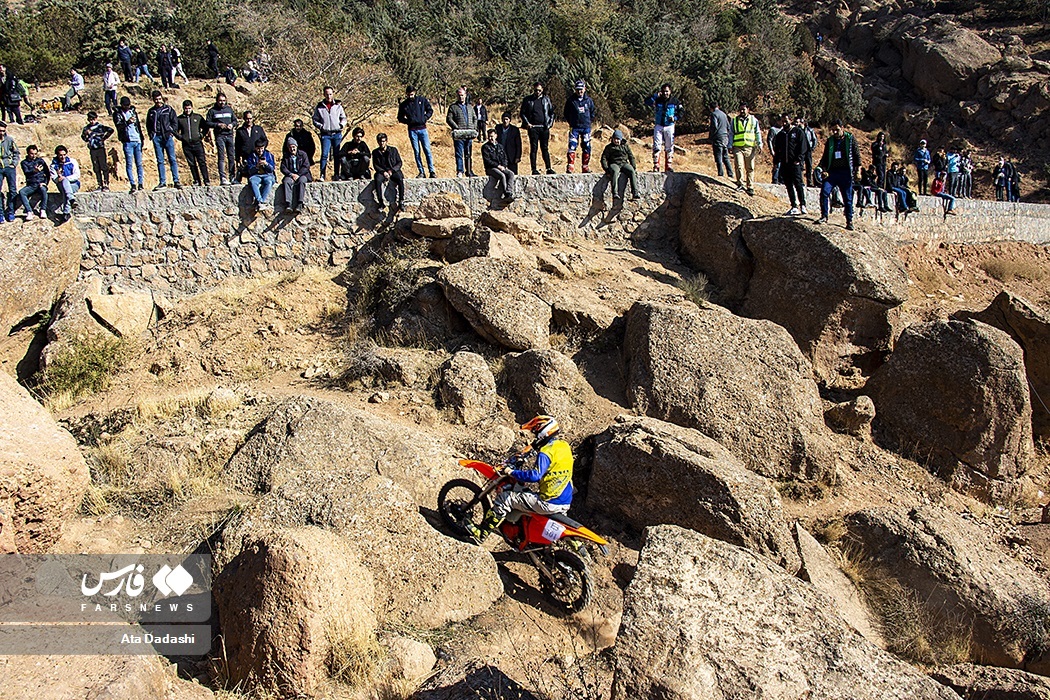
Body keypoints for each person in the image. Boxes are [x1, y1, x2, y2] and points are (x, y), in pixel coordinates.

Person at [465, 416, 574, 546]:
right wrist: (524, 453)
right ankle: (573, 543)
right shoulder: (563, 446)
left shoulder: (545, 453)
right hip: (565, 499)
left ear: (543, 431)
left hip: (548, 502)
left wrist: (512, 472)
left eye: (535, 431)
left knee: (505, 498)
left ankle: (481, 534)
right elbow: (534, 446)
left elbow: (535, 476)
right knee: (525, 496)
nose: (535, 435)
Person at [816, 119, 861, 230]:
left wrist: (858, 170)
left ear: (842, 128)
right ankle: (824, 216)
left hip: (846, 172)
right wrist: (822, 169)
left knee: (847, 197)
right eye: (833, 130)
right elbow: (825, 157)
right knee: (824, 192)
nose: (835, 132)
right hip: (832, 172)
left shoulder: (850, 139)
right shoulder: (830, 141)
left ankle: (849, 221)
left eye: (837, 130)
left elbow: (857, 156)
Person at [396, 85, 436, 178]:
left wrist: (425, 118)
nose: (411, 94)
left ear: (415, 92)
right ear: (406, 94)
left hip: (423, 129)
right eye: (409, 92)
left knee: (427, 150)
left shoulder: (422, 100)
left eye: (412, 92)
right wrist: (408, 121)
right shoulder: (404, 104)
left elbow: (430, 110)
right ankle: (421, 171)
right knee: (417, 151)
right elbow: (400, 117)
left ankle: (432, 171)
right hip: (412, 130)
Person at [775, 114, 810, 216]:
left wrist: (799, 159)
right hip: (785, 164)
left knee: (798, 184)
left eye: (786, 121)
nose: (784, 123)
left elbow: (803, 147)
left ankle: (803, 205)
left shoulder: (798, 132)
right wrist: (776, 162)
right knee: (789, 185)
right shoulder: (780, 134)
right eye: (782, 121)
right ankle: (794, 205)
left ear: (790, 120)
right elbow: (778, 150)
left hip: (795, 163)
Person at [146, 91, 181, 190]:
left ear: (162, 98)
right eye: (156, 99)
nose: (158, 101)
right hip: (157, 137)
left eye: (159, 99)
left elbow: (175, 122)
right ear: (153, 100)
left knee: (172, 159)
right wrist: (151, 134)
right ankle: (162, 182)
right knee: (160, 160)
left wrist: (171, 132)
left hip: (167, 137)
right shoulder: (151, 111)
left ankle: (176, 180)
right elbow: (148, 124)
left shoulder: (168, 109)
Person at [312, 86, 347, 181]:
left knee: (337, 155)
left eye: (330, 94)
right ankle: (322, 175)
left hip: (336, 133)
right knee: (324, 155)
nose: (329, 96)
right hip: (325, 134)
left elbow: (343, 117)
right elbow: (315, 119)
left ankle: (336, 174)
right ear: (324, 94)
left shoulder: (338, 105)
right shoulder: (319, 106)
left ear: (333, 94)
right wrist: (321, 126)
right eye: (327, 94)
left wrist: (341, 125)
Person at [519, 81, 555, 175]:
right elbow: (522, 113)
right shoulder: (528, 100)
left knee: (545, 148)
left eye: (539, 90)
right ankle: (534, 169)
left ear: (542, 90)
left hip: (544, 127)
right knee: (533, 149)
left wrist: (549, 124)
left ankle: (548, 168)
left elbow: (551, 113)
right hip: (533, 128)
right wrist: (527, 124)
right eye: (536, 90)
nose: (537, 92)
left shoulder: (546, 100)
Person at [645, 83, 682, 172]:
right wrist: (655, 96)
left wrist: (675, 118)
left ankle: (668, 166)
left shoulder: (675, 101)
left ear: (670, 91)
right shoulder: (657, 100)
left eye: (667, 91)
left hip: (669, 126)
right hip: (658, 126)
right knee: (657, 146)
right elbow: (647, 102)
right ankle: (656, 165)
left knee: (669, 146)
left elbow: (681, 112)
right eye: (663, 91)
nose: (665, 93)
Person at [563, 79, 596, 173]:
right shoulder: (571, 100)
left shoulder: (589, 100)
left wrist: (589, 121)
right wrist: (571, 122)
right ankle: (570, 166)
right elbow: (566, 113)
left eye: (581, 89)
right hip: (574, 127)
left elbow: (592, 112)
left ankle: (585, 166)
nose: (579, 91)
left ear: (585, 89)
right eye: (577, 89)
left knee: (587, 145)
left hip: (586, 127)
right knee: (572, 145)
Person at [113, 96, 144, 191]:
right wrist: (127, 122)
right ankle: (133, 184)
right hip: (127, 140)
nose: (127, 107)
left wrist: (142, 138)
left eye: (128, 105)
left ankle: (140, 183)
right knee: (129, 163)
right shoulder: (117, 114)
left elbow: (138, 125)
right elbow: (119, 126)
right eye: (125, 105)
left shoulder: (133, 112)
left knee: (139, 163)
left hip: (137, 139)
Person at [176, 100, 210, 186]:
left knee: (202, 162)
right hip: (186, 145)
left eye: (189, 108)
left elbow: (205, 127)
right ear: (183, 108)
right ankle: (196, 180)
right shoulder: (180, 119)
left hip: (197, 143)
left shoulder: (197, 117)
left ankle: (206, 180)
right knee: (191, 163)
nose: (188, 110)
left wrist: (201, 135)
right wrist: (181, 137)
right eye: (186, 108)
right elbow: (175, 130)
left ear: (192, 108)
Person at [205, 92, 237, 185]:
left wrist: (232, 124)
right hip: (220, 136)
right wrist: (218, 125)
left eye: (224, 101)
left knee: (231, 156)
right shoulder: (212, 111)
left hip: (230, 135)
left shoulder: (229, 109)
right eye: (220, 101)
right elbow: (208, 122)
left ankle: (232, 177)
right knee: (221, 156)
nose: (222, 103)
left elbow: (235, 120)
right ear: (216, 101)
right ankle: (223, 177)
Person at [600, 129, 638, 205]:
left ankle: (635, 192)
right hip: (614, 164)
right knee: (615, 172)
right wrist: (606, 169)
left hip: (624, 163)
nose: (616, 141)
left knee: (631, 171)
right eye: (615, 139)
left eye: (618, 139)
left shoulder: (625, 146)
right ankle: (615, 193)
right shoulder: (609, 147)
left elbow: (631, 156)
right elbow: (603, 158)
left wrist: (633, 166)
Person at [731, 103, 762, 196]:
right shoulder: (735, 120)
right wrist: (729, 145)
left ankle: (750, 186)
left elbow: (757, 132)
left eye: (743, 109)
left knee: (750, 167)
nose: (742, 111)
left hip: (749, 147)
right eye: (740, 109)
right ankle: (740, 183)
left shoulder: (753, 120)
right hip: (738, 147)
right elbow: (731, 133)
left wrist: (759, 144)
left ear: (748, 109)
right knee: (739, 165)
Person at [447, 86, 478, 177]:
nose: (461, 97)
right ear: (457, 96)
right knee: (459, 154)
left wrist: (474, 128)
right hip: (459, 135)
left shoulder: (470, 107)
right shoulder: (453, 107)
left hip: (469, 134)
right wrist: (456, 128)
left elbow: (475, 118)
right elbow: (449, 119)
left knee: (468, 154)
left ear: (465, 95)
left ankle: (469, 170)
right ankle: (460, 171)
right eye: (459, 95)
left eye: (463, 95)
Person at [80, 112, 114, 191]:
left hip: (100, 148)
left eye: (93, 119)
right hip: (92, 149)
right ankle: (99, 184)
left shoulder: (100, 127)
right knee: (96, 167)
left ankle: (106, 184)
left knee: (104, 166)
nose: (92, 121)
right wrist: (87, 136)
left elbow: (110, 130)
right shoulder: (86, 128)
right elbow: (83, 138)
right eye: (90, 119)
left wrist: (104, 138)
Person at [371, 132, 404, 211]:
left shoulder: (393, 150)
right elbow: (375, 165)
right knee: (378, 180)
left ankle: (401, 201)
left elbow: (399, 162)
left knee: (400, 179)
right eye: (380, 141)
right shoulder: (375, 152)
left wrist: (392, 170)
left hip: (393, 170)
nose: (382, 143)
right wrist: (383, 172)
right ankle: (381, 203)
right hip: (382, 172)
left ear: (386, 141)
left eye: (383, 141)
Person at [481, 128, 515, 201]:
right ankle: (505, 194)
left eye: (492, 136)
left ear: (496, 136)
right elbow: (487, 161)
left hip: (501, 167)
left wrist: (504, 166)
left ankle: (509, 191)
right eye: (489, 136)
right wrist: (498, 166)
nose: (490, 138)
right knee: (502, 176)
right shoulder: (485, 147)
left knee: (510, 174)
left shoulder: (500, 146)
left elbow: (505, 158)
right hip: (491, 168)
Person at [234, 110, 266, 183]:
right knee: (249, 175)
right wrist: (237, 159)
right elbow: (237, 145)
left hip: (257, 156)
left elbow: (265, 140)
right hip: (246, 156)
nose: (249, 120)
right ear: (244, 119)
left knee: (258, 175)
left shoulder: (258, 129)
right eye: (247, 119)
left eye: (250, 118)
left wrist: (261, 148)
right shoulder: (240, 131)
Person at [280, 137, 311, 213]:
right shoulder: (286, 156)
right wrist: (291, 174)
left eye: (293, 147)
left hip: (302, 174)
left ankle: (300, 204)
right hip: (291, 175)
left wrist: (298, 175)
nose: (292, 149)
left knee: (302, 181)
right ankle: (288, 204)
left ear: (296, 147)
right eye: (290, 147)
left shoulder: (303, 154)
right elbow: (283, 167)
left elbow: (306, 166)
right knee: (286, 181)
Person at [49, 145, 80, 220]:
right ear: (57, 155)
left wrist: (66, 178)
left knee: (65, 190)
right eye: (60, 155)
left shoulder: (72, 161)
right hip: (61, 184)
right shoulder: (53, 165)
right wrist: (59, 178)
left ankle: (66, 213)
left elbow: (77, 175)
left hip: (74, 184)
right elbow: (54, 179)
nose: (63, 157)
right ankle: (71, 200)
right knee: (65, 186)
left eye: (64, 155)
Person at [17, 145, 48, 218]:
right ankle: (29, 211)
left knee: (44, 190)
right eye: (31, 154)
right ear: (28, 153)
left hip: (40, 183)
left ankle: (43, 209)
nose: (34, 156)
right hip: (31, 184)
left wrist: (45, 183)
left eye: (35, 154)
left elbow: (47, 173)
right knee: (22, 192)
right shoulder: (24, 163)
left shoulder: (40, 161)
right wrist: (34, 171)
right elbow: (26, 172)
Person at [245, 138, 276, 209]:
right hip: (256, 175)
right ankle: (260, 201)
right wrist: (256, 166)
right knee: (253, 182)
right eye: (258, 148)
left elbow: (272, 169)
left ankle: (261, 202)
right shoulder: (251, 156)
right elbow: (249, 170)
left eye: (262, 148)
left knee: (269, 182)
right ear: (255, 148)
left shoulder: (269, 155)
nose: (260, 150)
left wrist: (266, 164)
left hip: (267, 174)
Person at [709, 102, 733, 179]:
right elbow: (728, 126)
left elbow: (714, 126)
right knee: (725, 156)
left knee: (718, 155)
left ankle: (720, 173)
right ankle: (730, 173)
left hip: (717, 137)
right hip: (725, 137)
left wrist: (711, 136)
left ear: (711, 108)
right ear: (718, 106)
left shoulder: (713, 114)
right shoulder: (724, 114)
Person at [0, 122, 18, 221]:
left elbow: (16, 152)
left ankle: (11, 212)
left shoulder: (9, 140)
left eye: (3, 131)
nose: (2, 133)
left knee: (12, 190)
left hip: (9, 167)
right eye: (0, 131)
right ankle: (0, 213)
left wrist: (13, 164)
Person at [767, 114, 784, 184]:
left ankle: (781, 179)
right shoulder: (773, 129)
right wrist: (772, 150)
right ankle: (775, 179)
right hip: (776, 150)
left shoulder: (784, 129)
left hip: (784, 151)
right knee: (777, 165)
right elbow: (769, 140)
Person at [803, 117, 817, 186]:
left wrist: (812, 148)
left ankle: (809, 182)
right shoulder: (798, 130)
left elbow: (814, 139)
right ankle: (801, 182)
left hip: (808, 150)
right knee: (800, 167)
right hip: (801, 151)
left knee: (809, 167)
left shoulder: (810, 130)